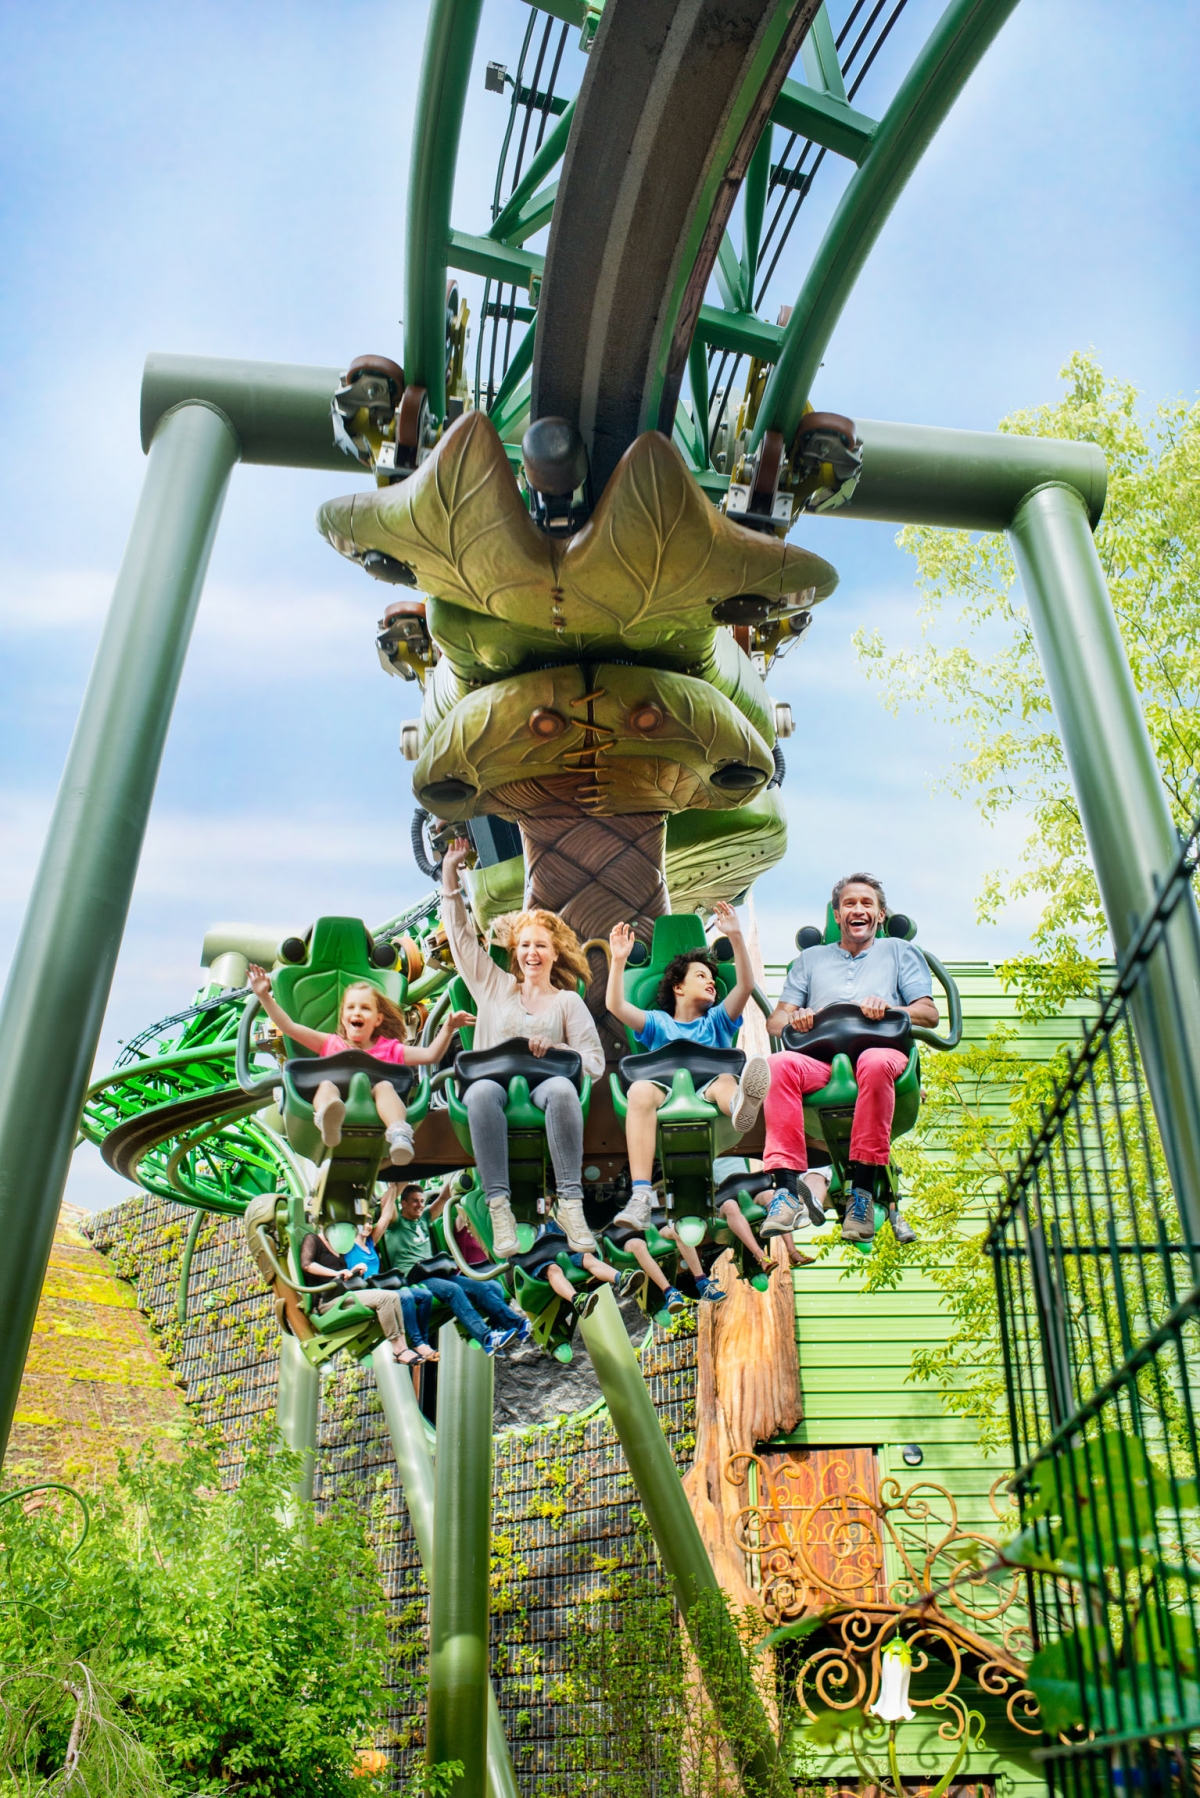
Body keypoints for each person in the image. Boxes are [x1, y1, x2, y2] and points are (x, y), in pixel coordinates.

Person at [441, 838, 604, 1258]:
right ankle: (499, 1207)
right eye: (525, 945)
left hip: (544, 1086)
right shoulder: (495, 987)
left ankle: (570, 1203)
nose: (532, 953)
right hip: (493, 1085)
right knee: (479, 1091)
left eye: (541, 946)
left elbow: (594, 1062)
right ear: (515, 953)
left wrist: (556, 1049)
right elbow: (460, 941)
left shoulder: (566, 1001)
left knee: (563, 1090)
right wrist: (450, 878)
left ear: (554, 955)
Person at [761, 873, 938, 1245]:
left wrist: (890, 1006)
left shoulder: (900, 952)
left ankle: (862, 1190)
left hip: (880, 1052)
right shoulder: (809, 960)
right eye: (850, 904)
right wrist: (798, 1016)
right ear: (837, 915)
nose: (858, 909)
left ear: (881, 914)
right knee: (778, 1066)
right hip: (823, 1060)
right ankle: (786, 1189)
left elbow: (928, 1014)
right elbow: (776, 1021)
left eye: (867, 903)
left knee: (873, 1062)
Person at [605, 904, 774, 1278]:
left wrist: (735, 936)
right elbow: (615, 1005)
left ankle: (741, 1106)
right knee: (638, 1093)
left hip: (709, 1090)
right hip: (665, 1094)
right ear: (678, 987)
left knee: (726, 1083)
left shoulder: (717, 1021)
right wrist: (618, 961)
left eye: (713, 978)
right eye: (702, 976)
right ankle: (642, 1192)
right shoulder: (657, 1024)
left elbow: (744, 986)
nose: (712, 982)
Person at [247, 964, 471, 1164]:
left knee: (384, 1087)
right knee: (326, 1086)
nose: (357, 1012)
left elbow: (430, 1055)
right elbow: (289, 1027)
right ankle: (328, 1117)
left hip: (373, 1100)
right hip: (338, 1094)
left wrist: (449, 1027)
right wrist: (264, 996)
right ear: (343, 1018)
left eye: (365, 1008)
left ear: (378, 1019)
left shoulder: (389, 1049)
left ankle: (399, 1133)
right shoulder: (331, 1043)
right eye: (351, 1008)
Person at [382, 1183, 530, 1356]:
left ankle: (518, 1325)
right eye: (415, 1201)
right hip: (414, 1278)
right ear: (404, 1203)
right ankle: (486, 1338)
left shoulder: (423, 1219)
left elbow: (444, 1197)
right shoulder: (395, 1224)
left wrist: (455, 1175)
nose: (420, 1205)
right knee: (453, 1290)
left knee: (482, 1287)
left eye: (422, 1201)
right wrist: (395, 1186)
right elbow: (386, 1204)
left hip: (435, 1273)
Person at [299, 1221, 417, 1363]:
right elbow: (307, 1265)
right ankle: (398, 1350)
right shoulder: (313, 1239)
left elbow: (345, 1275)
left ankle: (403, 1346)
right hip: (328, 1300)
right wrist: (336, 1274)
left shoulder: (340, 1247)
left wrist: (355, 1270)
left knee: (393, 1296)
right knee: (384, 1299)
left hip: (345, 1294)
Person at [344, 1189, 438, 1361]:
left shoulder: (371, 1242)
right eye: (362, 1222)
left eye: (369, 1222)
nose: (366, 1225)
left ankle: (421, 1340)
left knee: (425, 1295)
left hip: (380, 1285)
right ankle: (416, 1343)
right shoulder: (347, 1245)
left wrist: (395, 1186)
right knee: (406, 1296)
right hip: (365, 1290)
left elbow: (386, 1215)